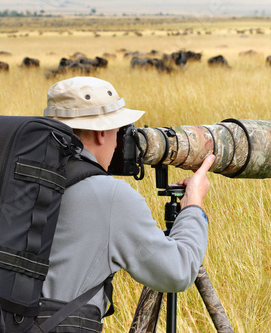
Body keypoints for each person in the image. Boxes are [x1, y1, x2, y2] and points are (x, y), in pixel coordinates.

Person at [41, 76, 213, 330]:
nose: (120, 140)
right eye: (119, 130)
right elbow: (177, 272)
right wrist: (193, 207)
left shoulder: (21, 175)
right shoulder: (109, 196)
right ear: (101, 133)